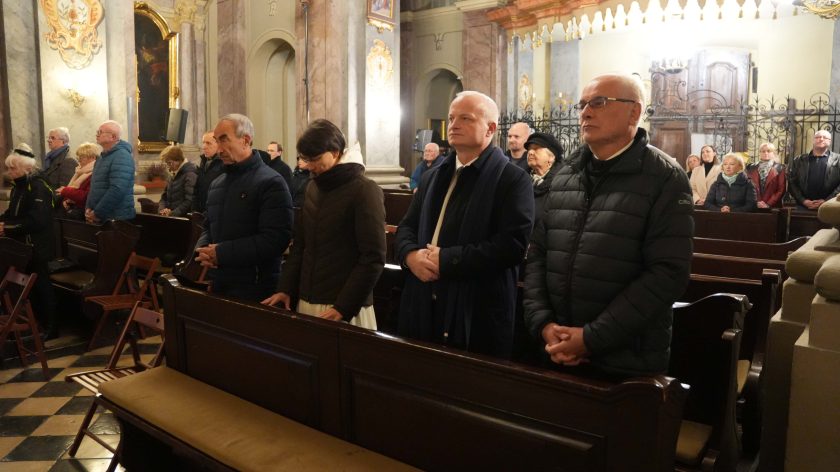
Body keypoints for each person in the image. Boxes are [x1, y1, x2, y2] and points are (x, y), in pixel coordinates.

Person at [523, 73, 693, 376]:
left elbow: (667, 274)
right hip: (554, 348)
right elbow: (538, 255)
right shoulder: (565, 175)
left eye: (599, 102)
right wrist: (544, 324)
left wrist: (591, 339)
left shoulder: (666, 177)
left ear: (634, 112)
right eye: (583, 104)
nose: (586, 112)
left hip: (625, 360)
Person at [395, 91, 534, 359]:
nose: (454, 124)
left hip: (476, 309)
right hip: (423, 303)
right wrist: (410, 256)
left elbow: (512, 246)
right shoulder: (433, 176)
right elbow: (406, 228)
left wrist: (447, 260)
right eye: (451, 118)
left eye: (466, 118)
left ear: (490, 129)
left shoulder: (513, 180)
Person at [262, 119, 385, 329]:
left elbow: (373, 257)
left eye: (315, 159)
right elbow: (301, 246)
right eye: (305, 159)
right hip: (308, 299)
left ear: (335, 152)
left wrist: (343, 307)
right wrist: (285, 289)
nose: (309, 166)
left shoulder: (364, 190)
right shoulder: (312, 188)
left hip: (345, 309)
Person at [195, 114, 293, 301]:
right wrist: (203, 250)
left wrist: (221, 253)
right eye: (217, 141)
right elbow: (209, 225)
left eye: (224, 140)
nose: (219, 149)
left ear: (245, 140)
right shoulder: (217, 183)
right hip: (221, 281)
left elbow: (275, 239)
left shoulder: (271, 182)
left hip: (256, 286)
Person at [0, 145, 59, 339]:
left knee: (42, 286)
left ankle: (51, 327)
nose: (9, 172)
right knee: (30, 288)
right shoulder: (20, 186)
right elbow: (13, 213)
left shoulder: (38, 187)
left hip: (36, 246)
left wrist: (7, 228)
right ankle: (34, 324)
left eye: (13, 168)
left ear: (27, 169)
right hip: (22, 246)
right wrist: (3, 222)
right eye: (9, 168)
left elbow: (37, 221)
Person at [86, 120, 135, 223]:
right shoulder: (101, 157)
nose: (97, 135)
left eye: (100, 132)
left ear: (113, 137)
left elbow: (117, 189)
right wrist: (88, 209)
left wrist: (97, 213)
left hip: (116, 218)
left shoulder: (122, 156)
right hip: (100, 216)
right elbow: (94, 186)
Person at [787, 130, 840, 210]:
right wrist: (803, 200)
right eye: (818, 137)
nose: (821, 139)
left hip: (830, 206)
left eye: (825, 137)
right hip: (803, 206)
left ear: (830, 141)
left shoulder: (838, 159)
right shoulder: (799, 160)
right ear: (813, 140)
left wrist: (826, 200)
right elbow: (791, 182)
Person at [524, 132, 564, 226]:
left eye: (536, 149)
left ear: (551, 157)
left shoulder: (563, 181)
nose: (530, 152)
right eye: (529, 149)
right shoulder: (522, 179)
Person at [56, 142, 101, 219]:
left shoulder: (95, 172)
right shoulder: (80, 171)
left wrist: (65, 190)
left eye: (82, 157)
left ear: (92, 157)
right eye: (78, 156)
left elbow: (85, 196)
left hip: (84, 212)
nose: (79, 160)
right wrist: (66, 200)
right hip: (75, 208)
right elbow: (73, 188)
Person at [158, 145, 197, 217]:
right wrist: (162, 210)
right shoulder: (173, 173)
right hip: (172, 217)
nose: (168, 167)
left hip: (183, 219)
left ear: (178, 160)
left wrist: (172, 213)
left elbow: (189, 200)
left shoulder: (190, 173)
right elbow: (164, 197)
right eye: (167, 164)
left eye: (170, 163)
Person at [745, 142, 786, 209]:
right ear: (759, 153)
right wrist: (756, 202)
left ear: (773, 153)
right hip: (754, 206)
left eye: (768, 151)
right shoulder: (750, 167)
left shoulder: (780, 168)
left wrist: (768, 204)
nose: (766, 153)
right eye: (763, 151)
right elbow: (747, 187)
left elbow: (781, 190)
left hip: (773, 207)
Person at [193, 131, 224, 214]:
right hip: (201, 212)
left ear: (218, 144)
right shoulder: (203, 162)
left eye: (208, 143)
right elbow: (197, 189)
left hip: (215, 212)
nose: (204, 147)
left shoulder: (224, 164)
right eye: (203, 143)